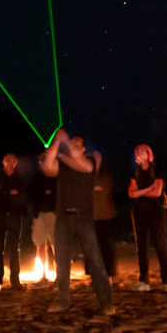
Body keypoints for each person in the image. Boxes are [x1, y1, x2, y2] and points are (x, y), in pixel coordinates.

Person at [42, 130, 114, 314]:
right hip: (63, 218)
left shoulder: (89, 160)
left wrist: (64, 146)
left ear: (83, 148)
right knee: (62, 261)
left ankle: (106, 303)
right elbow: (48, 168)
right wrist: (56, 142)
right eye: (73, 141)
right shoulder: (63, 163)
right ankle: (62, 300)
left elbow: (83, 166)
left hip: (84, 217)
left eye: (79, 142)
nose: (74, 143)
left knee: (95, 259)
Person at [128, 144, 167, 293]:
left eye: (142, 151)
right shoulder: (135, 171)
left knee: (160, 244)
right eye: (137, 151)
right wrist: (148, 189)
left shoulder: (157, 169)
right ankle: (144, 281)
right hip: (139, 212)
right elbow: (131, 193)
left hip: (156, 211)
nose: (139, 153)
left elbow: (157, 192)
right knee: (141, 247)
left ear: (149, 154)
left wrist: (139, 192)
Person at [0, 153, 27, 291]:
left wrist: (8, 194)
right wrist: (10, 193)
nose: (10, 162)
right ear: (3, 161)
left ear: (16, 163)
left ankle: (15, 280)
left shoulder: (19, 178)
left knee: (14, 249)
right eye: (7, 159)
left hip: (15, 215)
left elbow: (23, 196)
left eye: (12, 160)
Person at [28, 154, 58, 286]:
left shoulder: (55, 176)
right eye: (42, 162)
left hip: (53, 213)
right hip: (39, 214)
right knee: (40, 246)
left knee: (56, 245)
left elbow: (57, 194)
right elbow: (31, 195)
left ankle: (59, 276)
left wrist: (46, 194)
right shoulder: (35, 178)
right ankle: (42, 276)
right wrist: (44, 193)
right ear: (40, 163)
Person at [90, 151, 117, 283]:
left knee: (106, 245)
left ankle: (109, 275)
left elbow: (106, 188)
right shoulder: (87, 172)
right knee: (92, 246)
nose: (96, 157)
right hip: (90, 215)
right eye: (93, 156)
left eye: (98, 155)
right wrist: (94, 188)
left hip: (105, 215)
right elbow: (86, 189)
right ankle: (94, 275)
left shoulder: (106, 172)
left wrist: (96, 189)